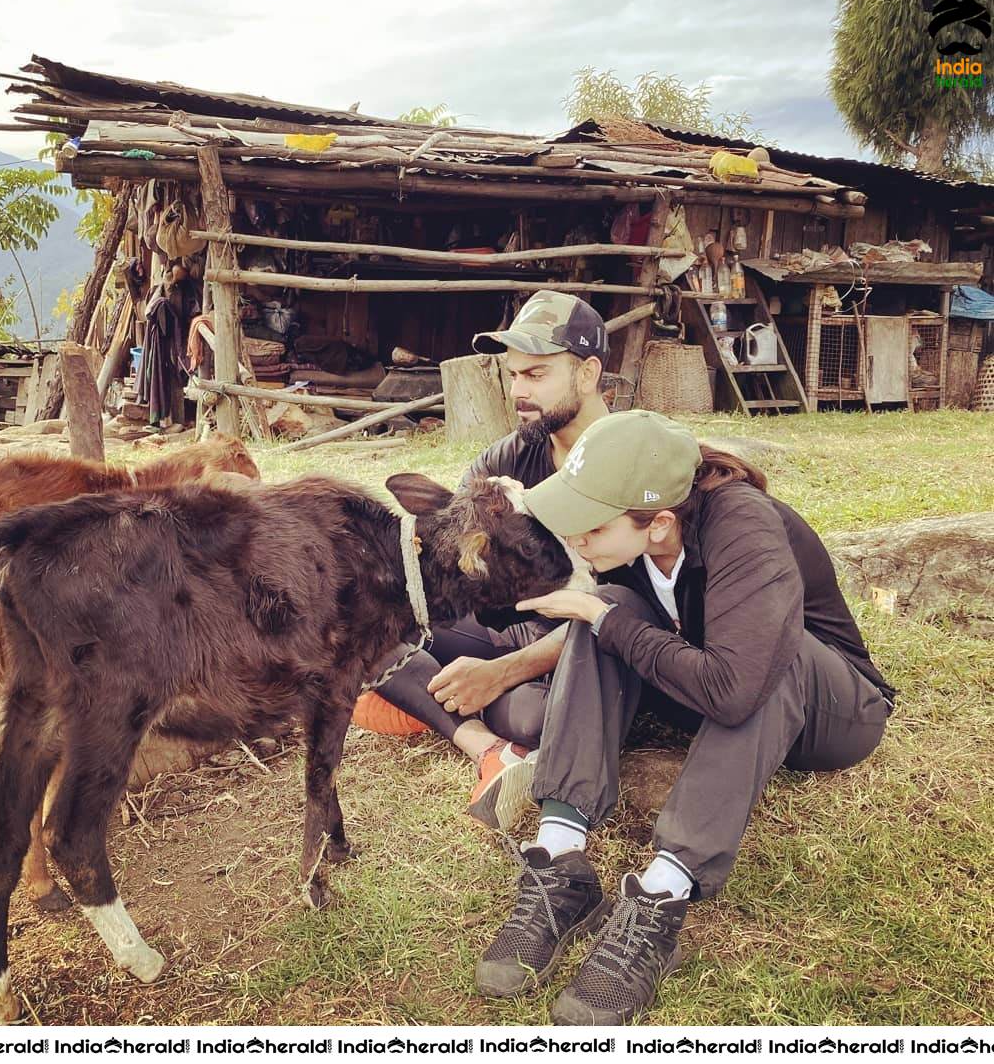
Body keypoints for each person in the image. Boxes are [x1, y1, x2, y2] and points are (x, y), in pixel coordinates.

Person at [474, 409, 895, 1025]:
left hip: (830, 713)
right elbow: (595, 613)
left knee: (751, 653)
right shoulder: (628, 539)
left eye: (589, 525)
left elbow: (733, 689)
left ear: (659, 523)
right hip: (711, 681)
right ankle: (560, 855)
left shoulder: (744, 526)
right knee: (607, 604)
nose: (575, 537)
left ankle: (662, 894)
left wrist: (608, 622)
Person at [368, 289, 611, 831]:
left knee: (531, 716)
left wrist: (503, 673)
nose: (519, 391)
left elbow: (625, 607)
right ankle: (483, 747)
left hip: (586, 648)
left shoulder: (628, 460)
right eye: (514, 374)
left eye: (537, 374)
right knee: (370, 625)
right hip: (505, 626)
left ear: (589, 373)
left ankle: (453, 704)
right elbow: (452, 557)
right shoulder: (506, 456)